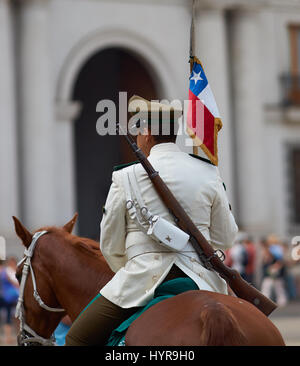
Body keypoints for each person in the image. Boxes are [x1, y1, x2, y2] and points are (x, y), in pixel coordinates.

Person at [65, 96, 238, 346]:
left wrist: (130, 266)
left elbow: (111, 244)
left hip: (141, 280)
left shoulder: (125, 177)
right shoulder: (208, 172)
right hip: (202, 279)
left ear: (146, 132)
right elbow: (226, 237)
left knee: (76, 339)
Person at [261, 235, 288, 307]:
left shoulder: (274, 249)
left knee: (269, 286)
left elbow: (278, 260)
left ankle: (266, 300)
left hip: (273, 268)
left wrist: (274, 266)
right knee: (277, 286)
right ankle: (281, 301)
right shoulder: (277, 248)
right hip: (275, 268)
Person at [0, 257, 19, 344]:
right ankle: (9, 337)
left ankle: (10, 337)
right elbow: (15, 283)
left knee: (12, 317)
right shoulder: (7, 271)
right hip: (10, 298)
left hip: (8, 297)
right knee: (11, 317)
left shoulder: (5, 271)